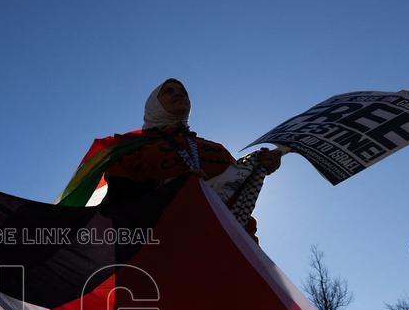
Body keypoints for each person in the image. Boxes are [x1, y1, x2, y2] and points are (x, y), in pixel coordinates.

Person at [103, 78, 280, 236]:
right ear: (153, 104)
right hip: (161, 246)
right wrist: (173, 188)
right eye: (169, 91)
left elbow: (236, 193)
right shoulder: (133, 149)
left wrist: (257, 168)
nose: (179, 93)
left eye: (183, 92)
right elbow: (118, 206)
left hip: (224, 244)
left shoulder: (216, 149)